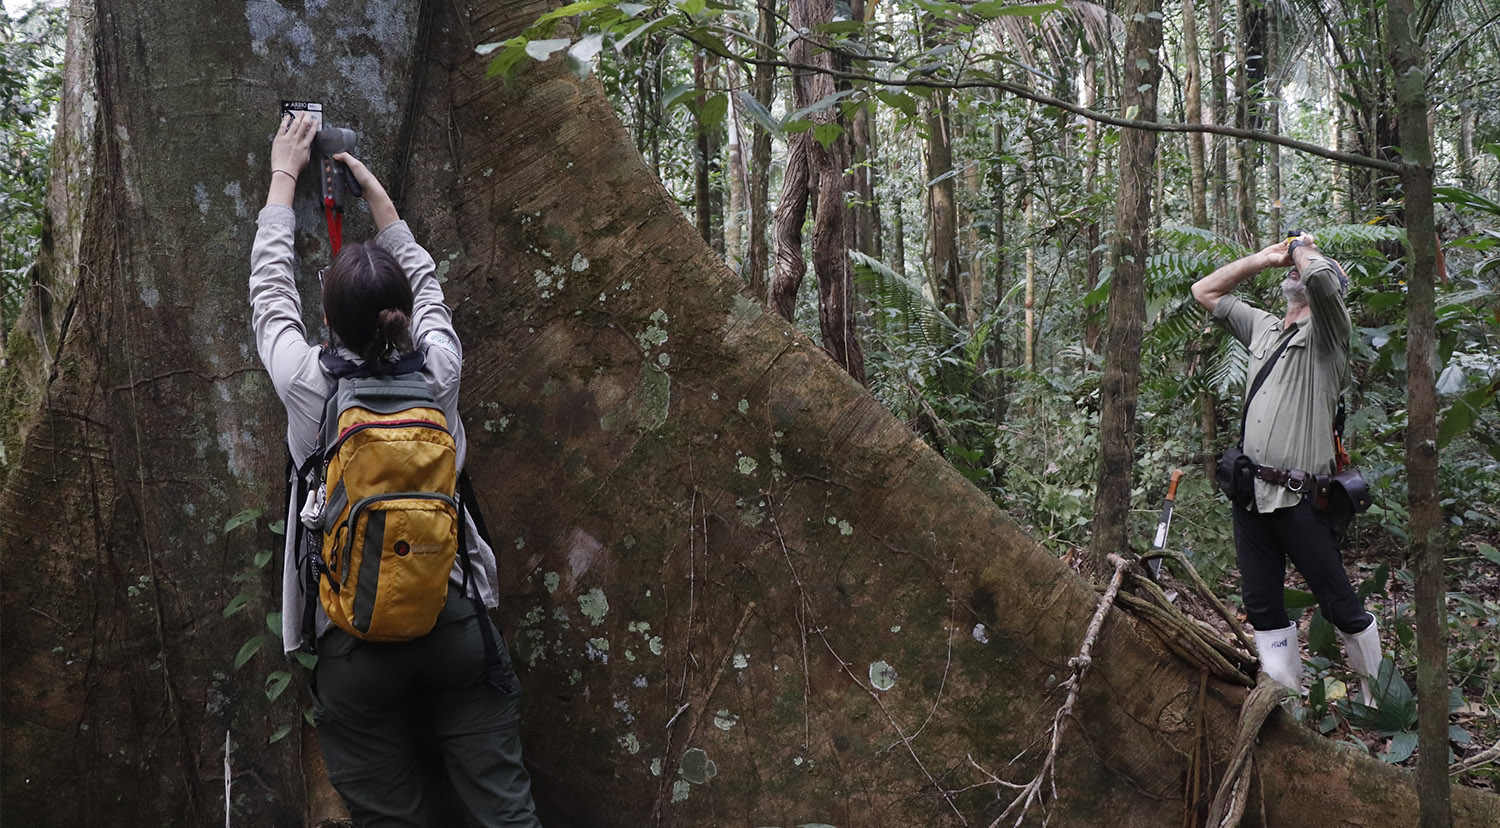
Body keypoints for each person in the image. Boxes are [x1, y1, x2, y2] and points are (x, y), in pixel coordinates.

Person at [250, 110, 541, 826]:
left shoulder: (307, 384)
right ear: (403, 314)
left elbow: (269, 295)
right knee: (505, 812)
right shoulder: (440, 369)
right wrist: (381, 204)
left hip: (352, 643)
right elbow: (427, 281)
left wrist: (284, 175)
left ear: (329, 318)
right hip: (452, 619)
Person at [1191, 232, 1383, 704]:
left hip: (1300, 499)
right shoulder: (1263, 327)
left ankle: (1379, 701)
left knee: (1340, 605)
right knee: (1261, 606)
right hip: (1250, 496)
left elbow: (1320, 277)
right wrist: (1264, 258)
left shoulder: (1329, 335)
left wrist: (1302, 247)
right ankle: (1286, 705)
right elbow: (1204, 291)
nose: (1299, 266)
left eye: (1307, 264)